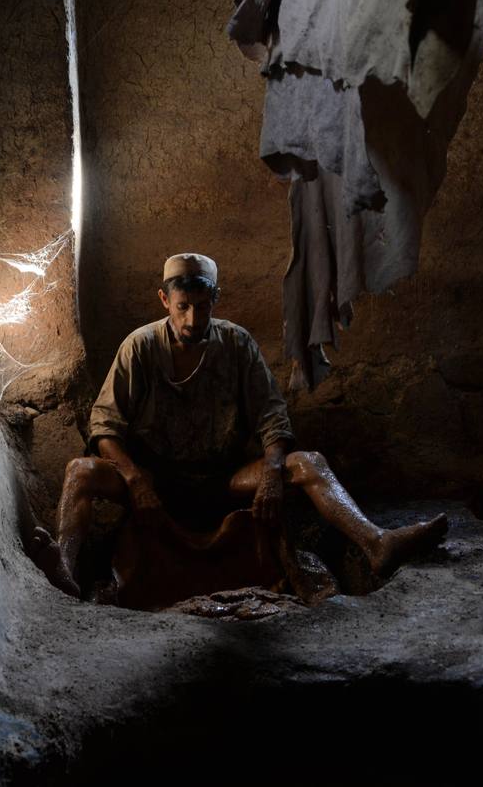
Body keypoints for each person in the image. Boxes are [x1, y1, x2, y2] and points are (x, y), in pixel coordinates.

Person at [32, 252, 448, 598]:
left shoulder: (236, 343)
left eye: (203, 306)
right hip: (156, 485)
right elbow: (104, 428)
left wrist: (271, 469)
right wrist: (135, 478)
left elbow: (273, 417)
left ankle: (377, 543)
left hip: (222, 479)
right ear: (164, 300)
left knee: (309, 463)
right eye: (183, 308)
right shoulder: (139, 347)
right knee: (80, 471)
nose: (193, 319)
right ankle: (65, 572)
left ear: (216, 299)